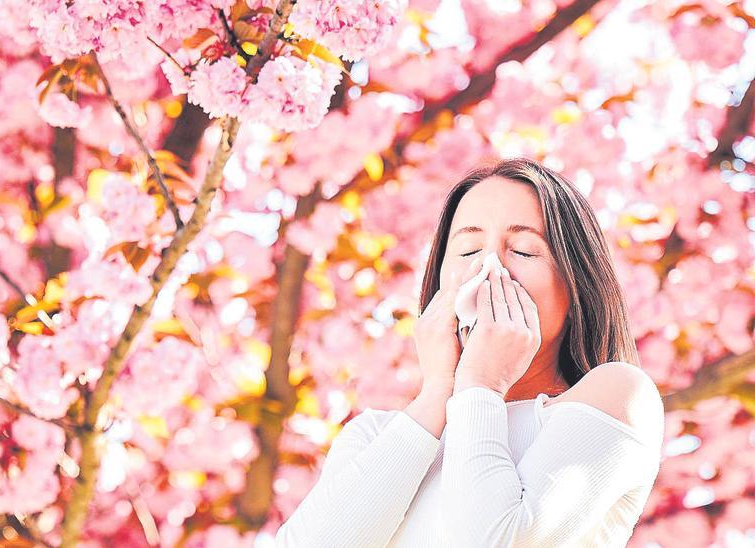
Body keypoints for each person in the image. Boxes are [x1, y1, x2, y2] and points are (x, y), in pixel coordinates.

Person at [272, 158, 665, 547]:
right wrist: (438, 392)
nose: (489, 267)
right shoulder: (375, 435)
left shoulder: (618, 394)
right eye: (467, 250)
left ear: (577, 281)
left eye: (525, 251)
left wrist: (482, 384)